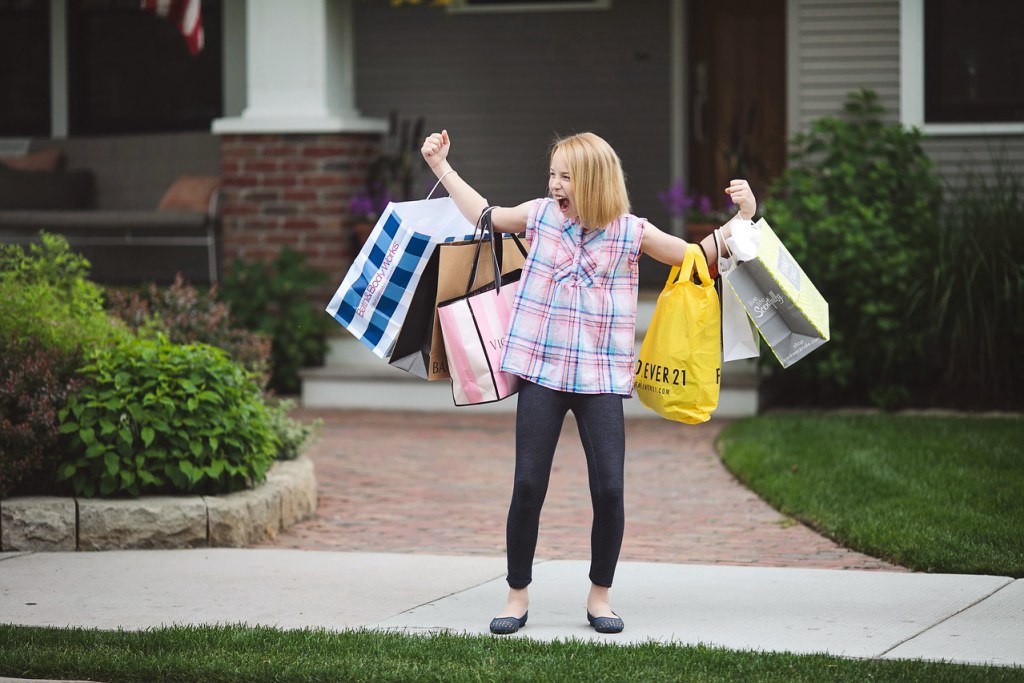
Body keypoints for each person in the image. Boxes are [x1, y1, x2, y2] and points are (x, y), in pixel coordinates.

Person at [420, 129, 756, 635]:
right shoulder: (539, 216)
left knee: (611, 489)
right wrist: (442, 167)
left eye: (565, 176)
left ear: (594, 181)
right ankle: (516, 596)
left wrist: (744, 219)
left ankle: (600, 596)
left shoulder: (630, 231)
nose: (555, 184)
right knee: (528, 484)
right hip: (541, 373)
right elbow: (486, 216)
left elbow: (694, 253)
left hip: (600, 379)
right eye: (552, 174)